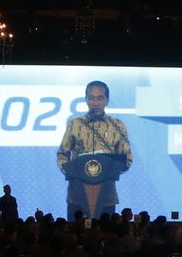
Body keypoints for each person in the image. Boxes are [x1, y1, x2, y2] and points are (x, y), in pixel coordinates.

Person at [56, 81, 133, 221]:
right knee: (74, 237)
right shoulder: (75, 124)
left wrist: (110, 171)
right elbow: (62, 154)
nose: (95, 103)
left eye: (100, 98)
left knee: (106, 237)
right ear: (86, 100)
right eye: (91, 98)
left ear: (107, 100)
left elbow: (127, 159)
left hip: (106, 195)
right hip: (77, 195)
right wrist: (72, 173)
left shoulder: (117, 126)